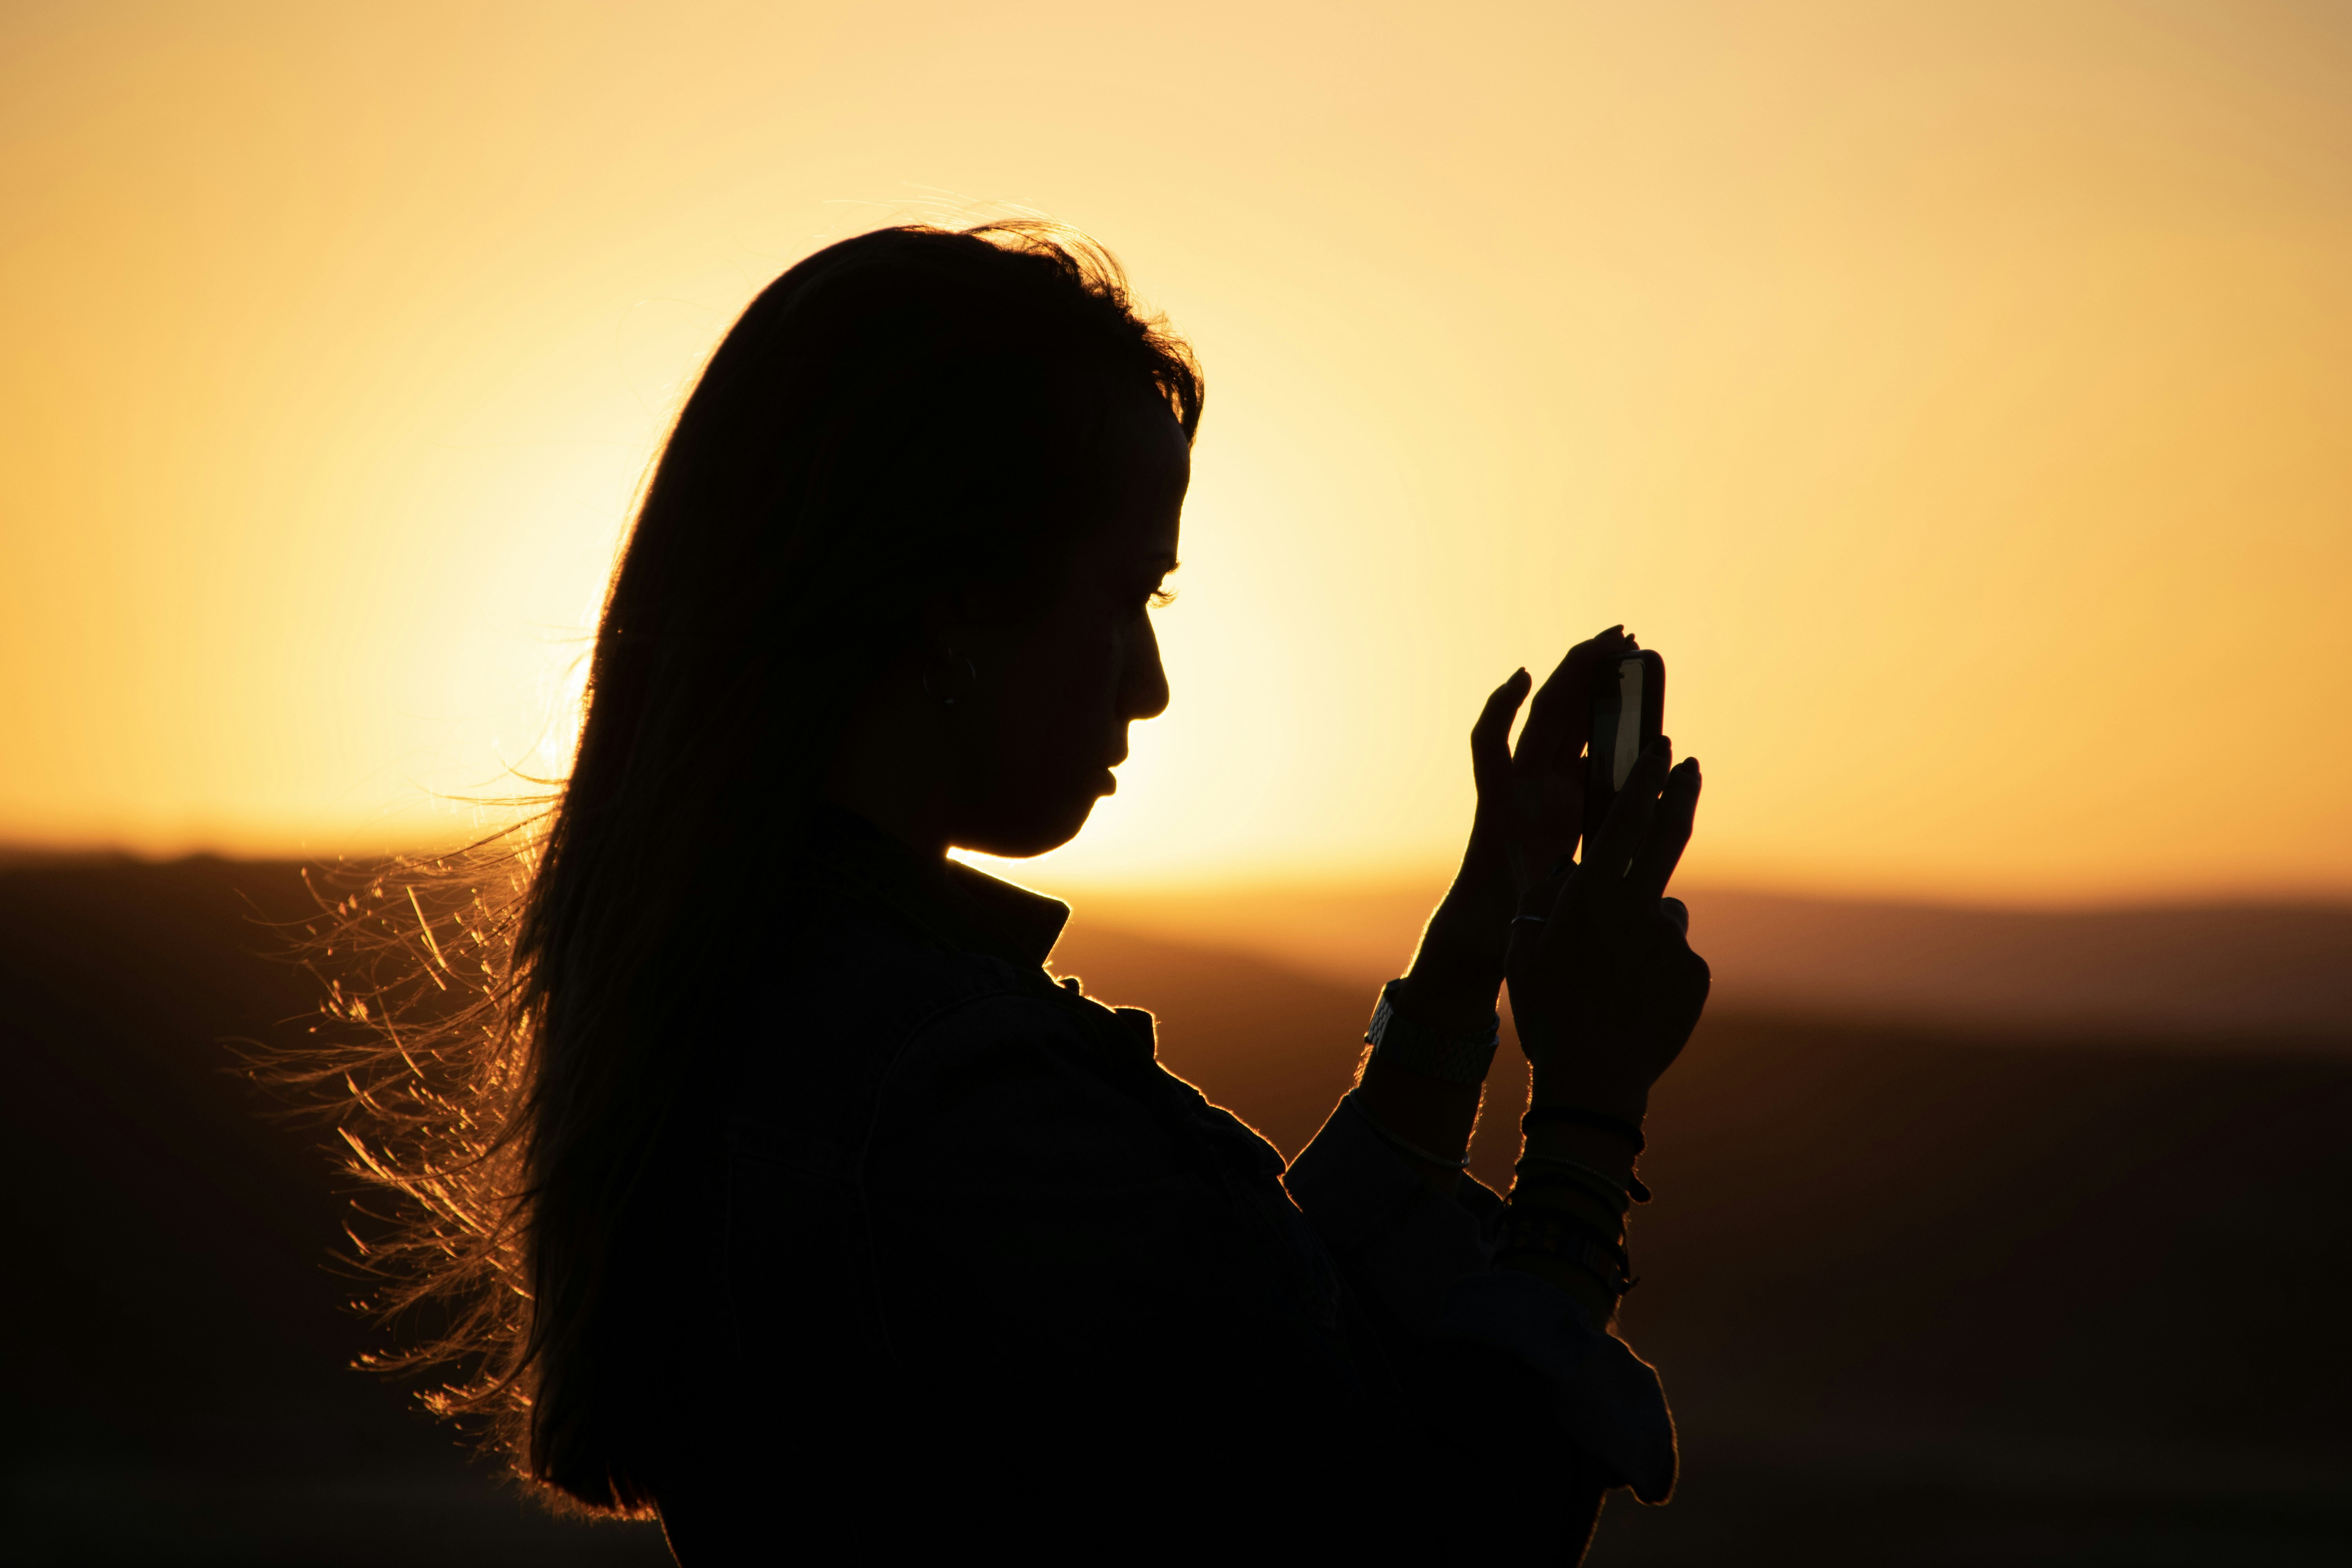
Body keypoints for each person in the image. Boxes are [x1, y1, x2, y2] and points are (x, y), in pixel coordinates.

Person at [323, 221, 1710, 1562]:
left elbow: (1256, 1345)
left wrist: (1466, 963)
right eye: (1130, 598)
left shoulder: (763, 1019)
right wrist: (1588, 1115)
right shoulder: (962, 1107)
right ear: (948, 596)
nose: (1149, 686)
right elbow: (1439, 1530)